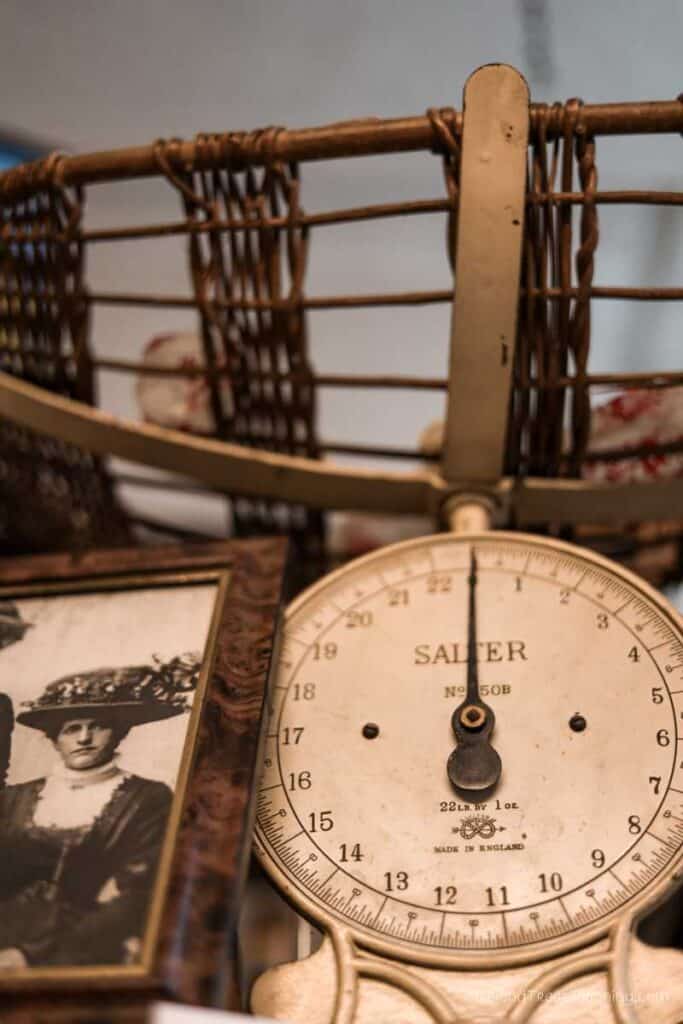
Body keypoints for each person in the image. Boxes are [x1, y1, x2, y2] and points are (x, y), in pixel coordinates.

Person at [0, 655, 198, 968]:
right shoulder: (15, 798)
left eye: (98, 727)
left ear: (119, 733)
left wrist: (29, 955)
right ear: (54, 738)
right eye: (71, 729)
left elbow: (140, 895)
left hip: (85, 950)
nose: (84, 738)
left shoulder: (147, 797)